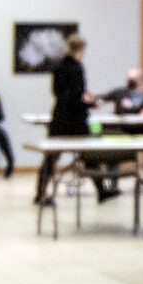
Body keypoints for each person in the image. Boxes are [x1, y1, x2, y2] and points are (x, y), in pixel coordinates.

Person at [37, 33, 119, 204]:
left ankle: (40, 193)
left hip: (58, 118)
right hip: (75, 121)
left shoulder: (58, 65)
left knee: (51, 158)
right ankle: (102, 190)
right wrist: (91, 104)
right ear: (81, 49)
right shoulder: (77, 68)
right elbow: (75, 99)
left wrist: (83, 99)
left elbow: (58, 94)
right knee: (89, 155)